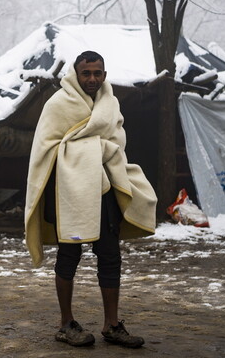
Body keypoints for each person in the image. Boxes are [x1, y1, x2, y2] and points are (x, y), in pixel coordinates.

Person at [24, 51, 157, 348]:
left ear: (105, 75)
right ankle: (66, 324)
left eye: (98, 73)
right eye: (87, 73)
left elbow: (117, 141)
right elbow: (46, 148)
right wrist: (91, 148)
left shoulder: (110, 103)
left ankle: (112, 325)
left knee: (110, 256)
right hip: (68, 193)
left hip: (103, 189)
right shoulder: (58, 103)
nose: (92, 79)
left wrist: (98, 149)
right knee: (69, 255)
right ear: (76, 74)